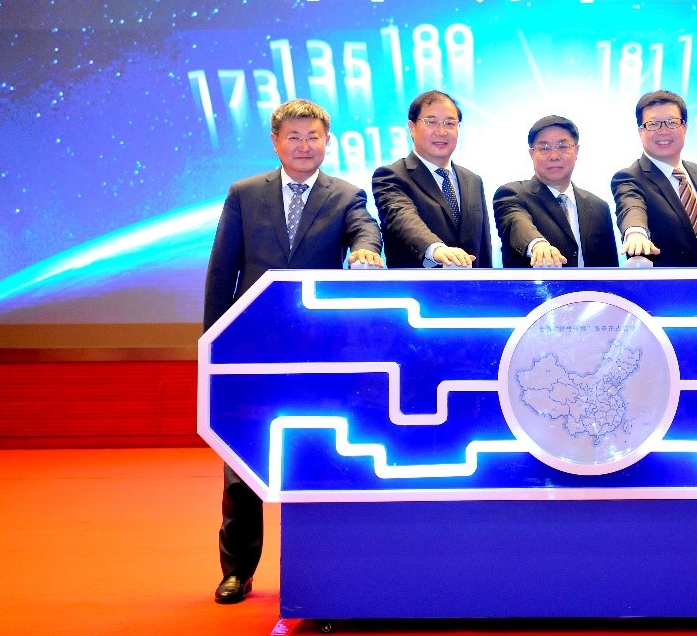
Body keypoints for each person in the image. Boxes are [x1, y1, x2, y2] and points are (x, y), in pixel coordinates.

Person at [202, 99, 383, 604]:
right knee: (242, 463)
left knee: (320, 457)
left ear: (328, 142)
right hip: (251, 349)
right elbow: (222, 272)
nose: (304, 146)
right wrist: (213, 345)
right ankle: (237, 570)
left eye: (313, 137)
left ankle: (323, 572)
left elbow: (364, 229)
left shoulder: (346, 194)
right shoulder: (244, 194)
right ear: (276, 142)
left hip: (320, 349)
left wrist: (365, 250)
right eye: (294, 137)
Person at [372, 90, 493, 268]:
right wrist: (436, 249)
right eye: (431, 122)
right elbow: (403, 219)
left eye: (450, 123)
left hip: (471, 285)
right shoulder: (391, 176)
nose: (441, 131)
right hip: (418, 284)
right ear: (412, 127)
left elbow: (483, 248)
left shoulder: (472, 180)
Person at [493, 114, 619, 268]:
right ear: (531, 154)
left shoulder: (599, 207)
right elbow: (517, 224)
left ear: (576, 150)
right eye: (544, 148)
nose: (554, 156)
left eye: (562, 147)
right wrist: (538, 245)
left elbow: (610, 269)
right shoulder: (512, 195)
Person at [611, 90, 697, 267]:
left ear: (685, 127)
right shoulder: (629, 177)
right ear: (640, 131)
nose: (663, 131)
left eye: (672, 122)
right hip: (664, 283)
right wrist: (636, 233)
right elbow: (631, 206)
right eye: (653, 124)